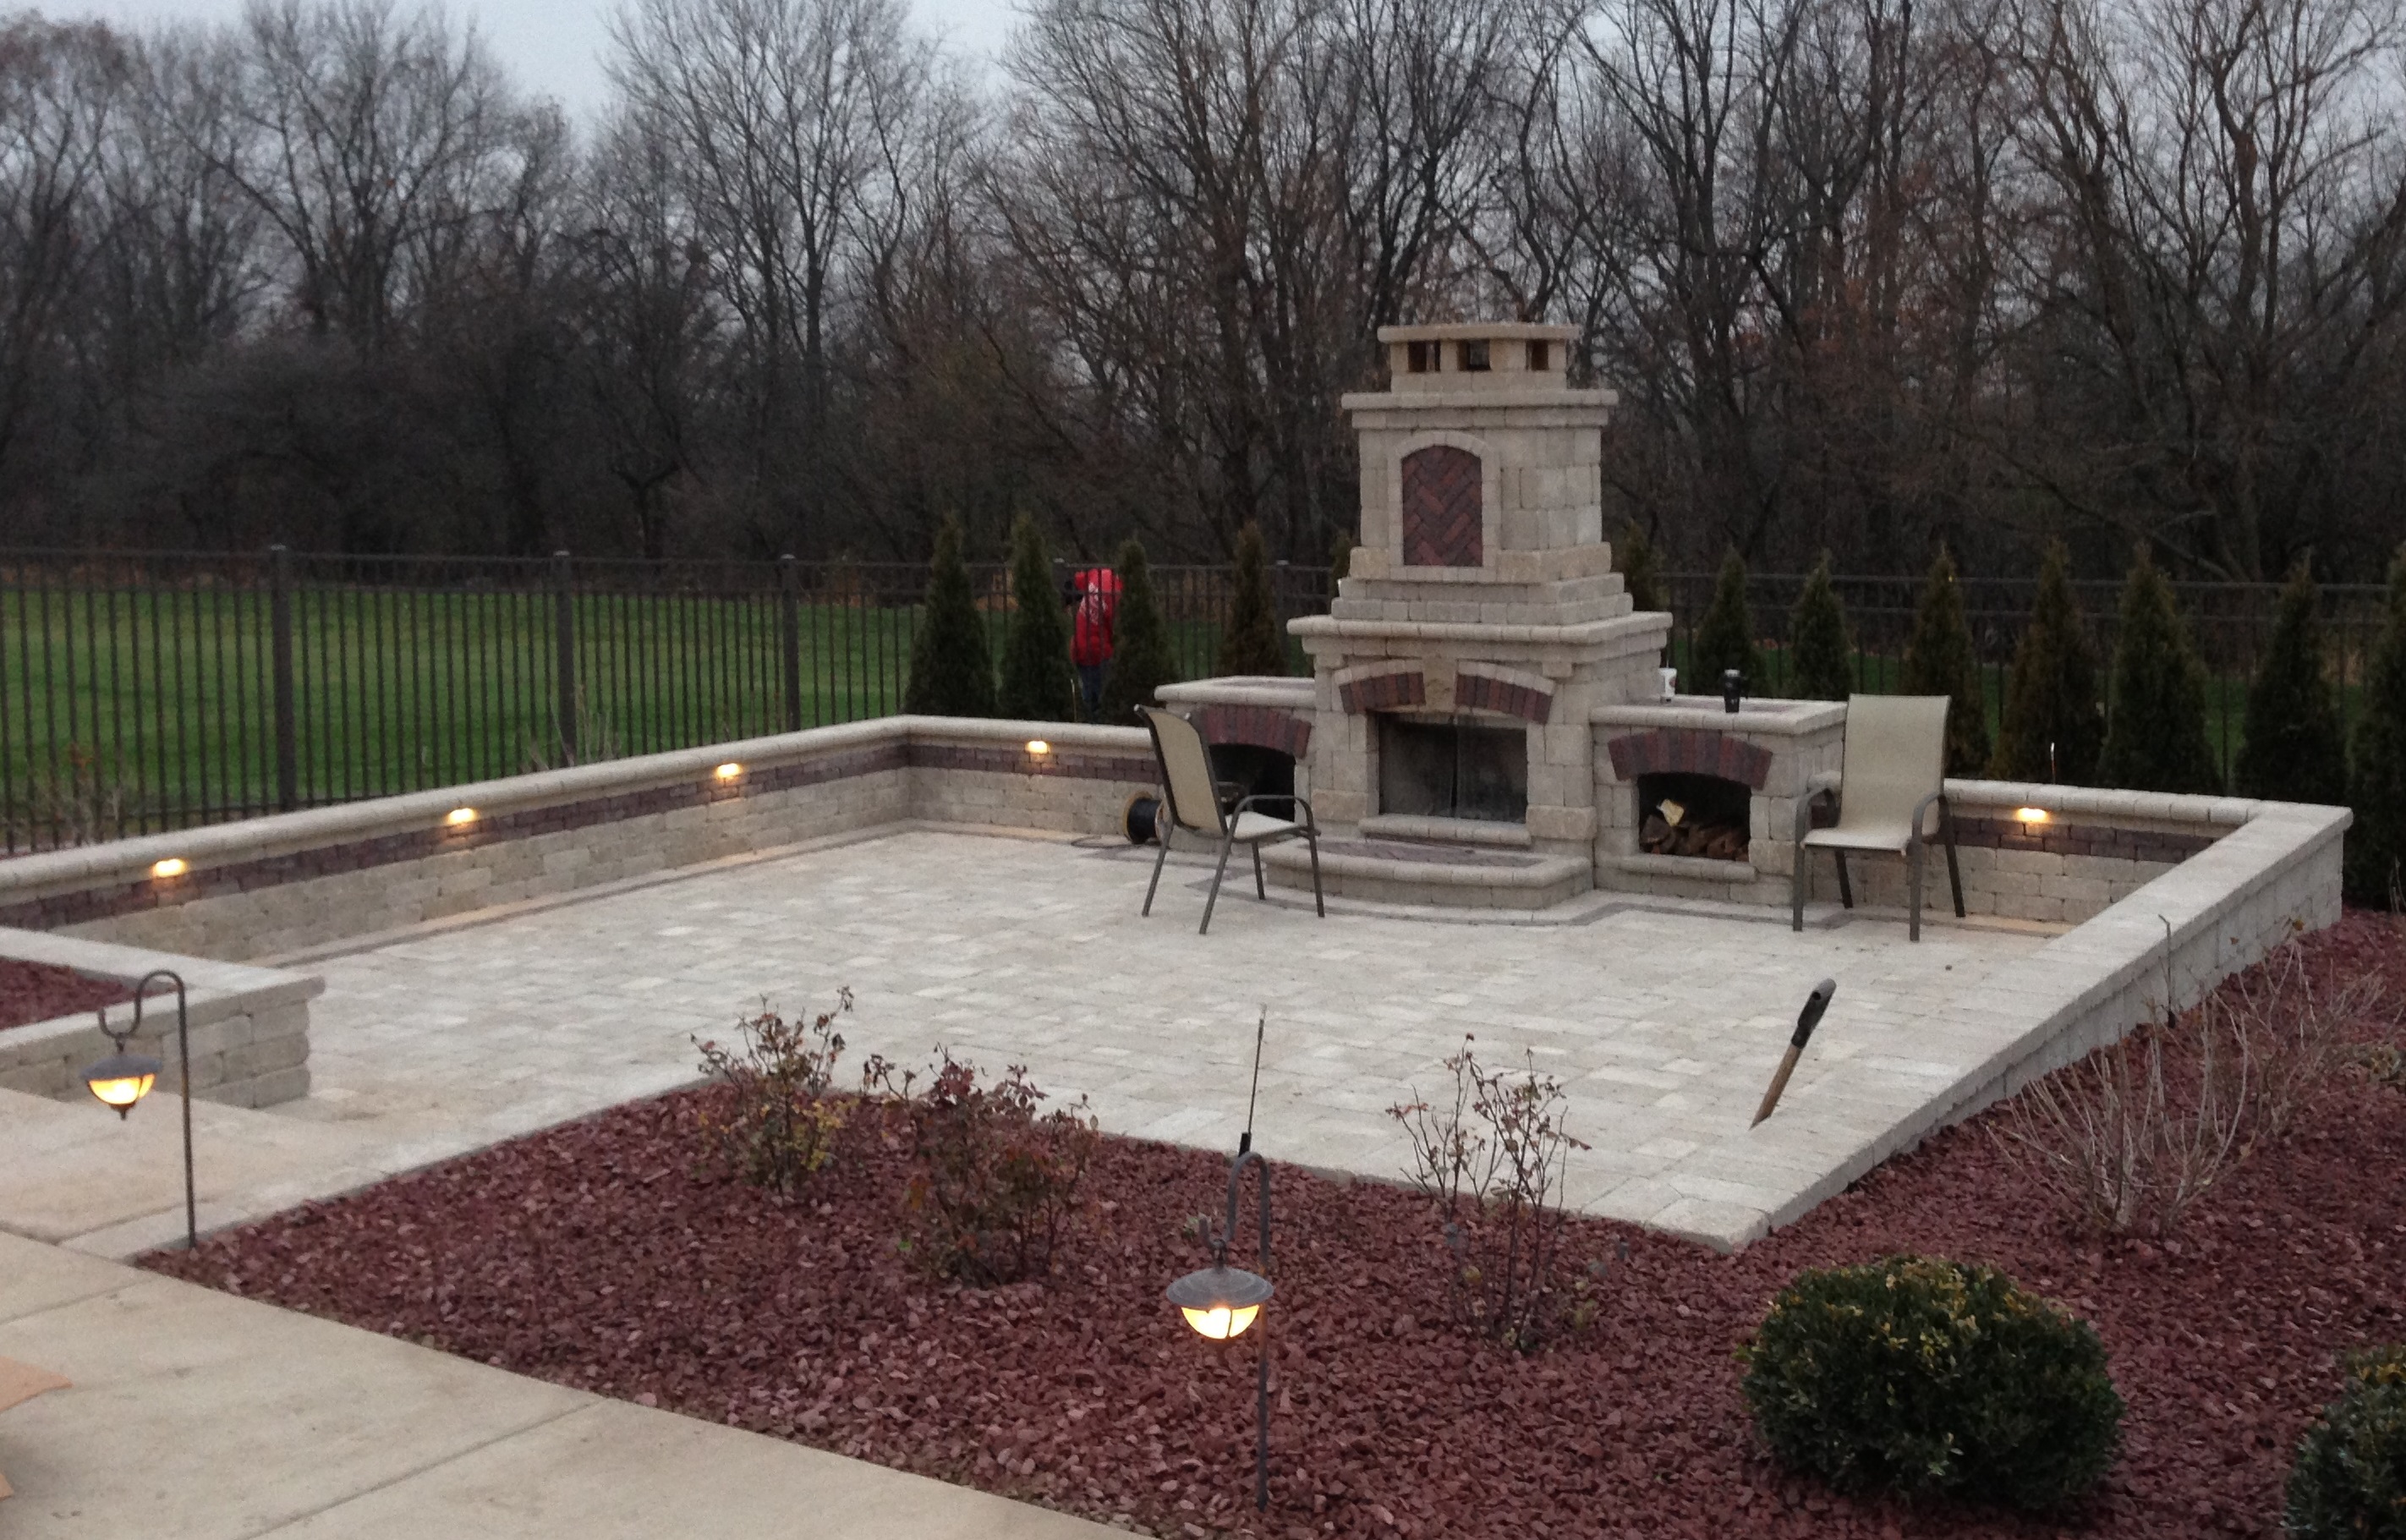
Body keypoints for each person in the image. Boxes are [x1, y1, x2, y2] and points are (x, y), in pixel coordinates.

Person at [1066, 563, 1121, 720]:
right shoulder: (1117, 595)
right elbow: (1117, 632)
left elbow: (1076, 581)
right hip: (1098, 653)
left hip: (1079, 646)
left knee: (1088, 694)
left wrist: (1066, 603)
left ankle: (1087, 722)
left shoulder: (1101, 574)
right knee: (1100, 701)